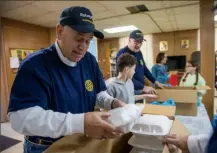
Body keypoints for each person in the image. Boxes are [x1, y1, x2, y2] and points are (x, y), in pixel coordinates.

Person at [7, 6, 126, 153]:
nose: (83, 47)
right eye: (78, 38)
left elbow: (98, 93)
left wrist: (112, 103)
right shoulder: (34, 65)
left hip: (81, 139)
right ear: (60, 31)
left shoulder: (89, 61)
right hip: (44, 146)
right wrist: (80, 122)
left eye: (88, 41)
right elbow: (19, 118)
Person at [163, 1, 217, 153]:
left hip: (195, 105)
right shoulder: (183, 77)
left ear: (194, 67)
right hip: (183, 104)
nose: (187, 68)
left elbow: (202, 91)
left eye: (189, 66)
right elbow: (179, 89)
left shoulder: (198, 79)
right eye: (186, 66)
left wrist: (194, 93)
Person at [116, 30, 164, 94]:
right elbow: (122, 75)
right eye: (136, 42)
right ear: (129, 40)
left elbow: (144, 68)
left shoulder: (139, 52)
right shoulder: (122, 53)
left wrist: (155, 81)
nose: (138, 45)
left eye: (140, 42)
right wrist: (143, 87)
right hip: (129, 90)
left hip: (140, 89)